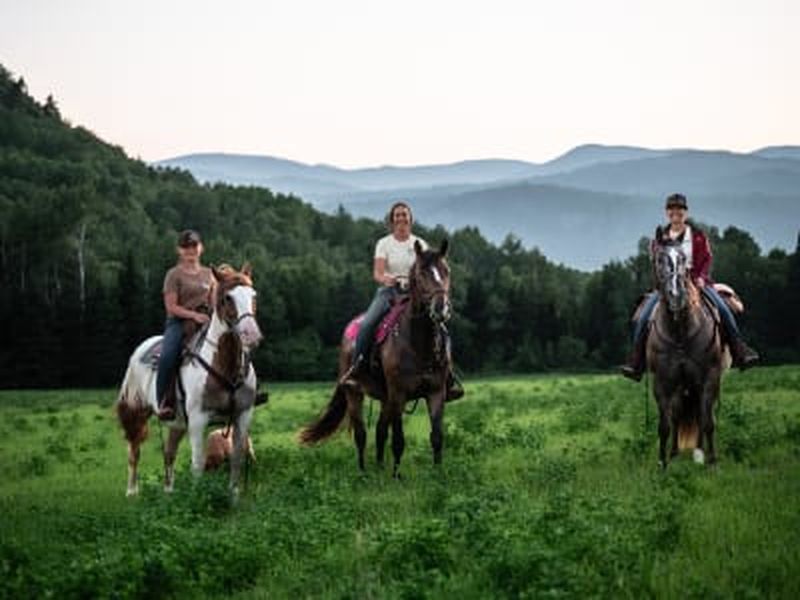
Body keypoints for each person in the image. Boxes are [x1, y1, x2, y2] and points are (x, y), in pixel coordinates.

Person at [621, 193, 760, 381]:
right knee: (642, 316)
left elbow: (707, 259)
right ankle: (636, 360)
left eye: (679, 209)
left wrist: (701, 277)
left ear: (685, 212)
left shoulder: (697, 237)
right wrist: (661, 284)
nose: (675, 212)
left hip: (695, 283)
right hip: (667, 286)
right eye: (672, 209)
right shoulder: (658, 241)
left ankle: (739, 350)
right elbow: (656, 265)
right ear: (667, 212)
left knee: (722, 308)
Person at [348, 200, 463, 400]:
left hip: (415, 295)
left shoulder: (419, 244)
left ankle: (449, 377)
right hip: (389, 292)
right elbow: (378, 272)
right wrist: (388, 279)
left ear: (410, 219)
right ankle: (358, 370)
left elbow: (429, 271)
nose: (401, 218)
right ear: (392, 220)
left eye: (405, 215)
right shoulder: (384, 244)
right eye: (397, 215)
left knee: (442, 330)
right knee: (368, 324)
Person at [156, 229, 216, 419]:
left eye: (194, 246)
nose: (191, 250)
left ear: (201, 248)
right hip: (179, 323)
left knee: (235, 341)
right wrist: (193, 316)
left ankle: (245, 390)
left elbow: (214, 303)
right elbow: (171, 307)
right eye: (186, 246)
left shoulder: (209, 274)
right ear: (179, 250)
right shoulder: (173, 275)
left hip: (206, 321)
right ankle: (164, 401)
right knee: (167, 356)